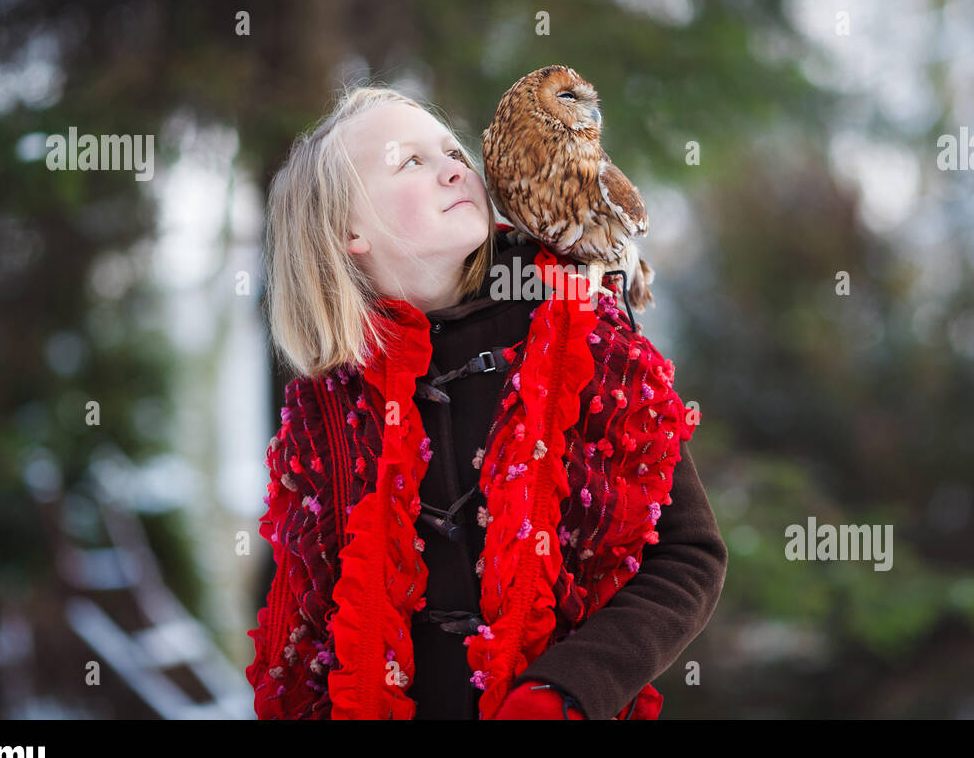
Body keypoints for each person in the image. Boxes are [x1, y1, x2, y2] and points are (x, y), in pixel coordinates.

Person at [248, 83, 728, 719]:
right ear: (348, 230)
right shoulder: (327, 409)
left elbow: (688, 556)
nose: (455, 167)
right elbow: (308, 627)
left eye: (451, 150)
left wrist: (566, 691)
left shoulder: (584, 333)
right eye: (410, 162)